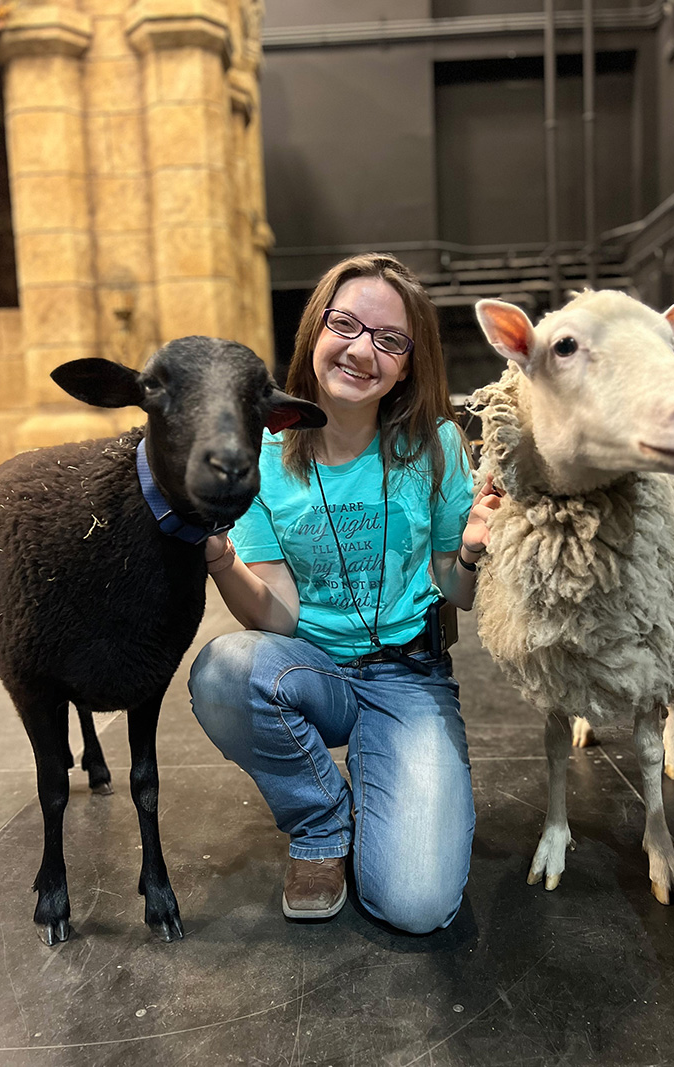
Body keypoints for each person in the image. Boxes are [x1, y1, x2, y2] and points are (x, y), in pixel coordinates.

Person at [188, 252, 501, 934]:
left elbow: (457, 591)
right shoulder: (264, 454)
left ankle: (386, 770)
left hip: (410, 674)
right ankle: (321, 821)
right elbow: (278, 610)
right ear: (315, 332)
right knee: (224, 670)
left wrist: (472, 550)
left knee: (416, 905)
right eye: (347, 324)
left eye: (390, 340)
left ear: (408, 363)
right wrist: (217, 556)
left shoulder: (440, 443)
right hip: (311, 671)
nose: (364, 350)